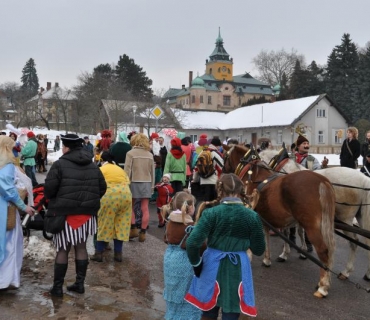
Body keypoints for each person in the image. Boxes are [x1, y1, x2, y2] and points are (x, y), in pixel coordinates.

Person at [184, 173, 266, 319]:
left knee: (208, 312)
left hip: (211, 264)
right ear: (242, 190)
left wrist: (196, 264)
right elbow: (259, 250)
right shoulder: (252, 216)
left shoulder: (211, 213)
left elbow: (192, 242)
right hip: (238, 267)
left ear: (219, 190)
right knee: (232, 311)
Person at [44, 134, 107, 297]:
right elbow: (102, 187)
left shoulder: (59, 164)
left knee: (63, 250)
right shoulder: (93, 165)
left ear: (66, 147)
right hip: (86, 216)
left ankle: (57, 288)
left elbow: (49, 191)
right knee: (81, 247)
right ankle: (79, 284)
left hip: (64, 214)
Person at [0, 136, 35, 290]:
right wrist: (24, 206)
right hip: (5, 210)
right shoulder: (6, 166)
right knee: (9, 244)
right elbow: (8, 190)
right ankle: (5, 280)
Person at [162, 191, 202, 320]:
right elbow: (198, 246)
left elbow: (166, 239)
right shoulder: (190, 227)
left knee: (173, 291)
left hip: (169, 259)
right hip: (185, 261)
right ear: (190, 208)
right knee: (186, 295)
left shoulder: (170, 222)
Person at [91, 151, 132, 263]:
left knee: (104, 224)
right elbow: (128, 181)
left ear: (102, 160)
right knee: (121, 224)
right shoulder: (119, 169)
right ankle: (118, 254)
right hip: (126, 195)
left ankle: (99, 253)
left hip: (109, 196)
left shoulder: (101, 169)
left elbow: (95, 185)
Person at [291, 134, 328, 249]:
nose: (306, 146)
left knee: (307, 218)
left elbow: (318, 172)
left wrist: (323, 165)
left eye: (307, 144)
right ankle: (290, 239)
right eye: (304, 144)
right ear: (298, 146)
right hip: (292, 191)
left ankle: (308, 243)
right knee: (290, 215)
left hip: (306, 193)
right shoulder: (290, 158)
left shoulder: (312, 159)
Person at [124, 133, 155, 242]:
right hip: (147, 182)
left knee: (130, 207)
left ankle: (133, 229)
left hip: (133, 182)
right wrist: (152, 186)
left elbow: (127, 170)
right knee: (145, 208)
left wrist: (125, 183)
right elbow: (153, 172)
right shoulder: (150, 155)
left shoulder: (130, 153)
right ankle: (143, 232)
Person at [192, 137, 224, 202]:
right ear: (217, 146)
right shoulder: (215, 154)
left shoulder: (201, 153)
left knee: (204, 203)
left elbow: (196, 168)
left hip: (202, 182)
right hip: (213, 183)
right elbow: (222, 168)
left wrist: (195, 180)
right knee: (212, 203)